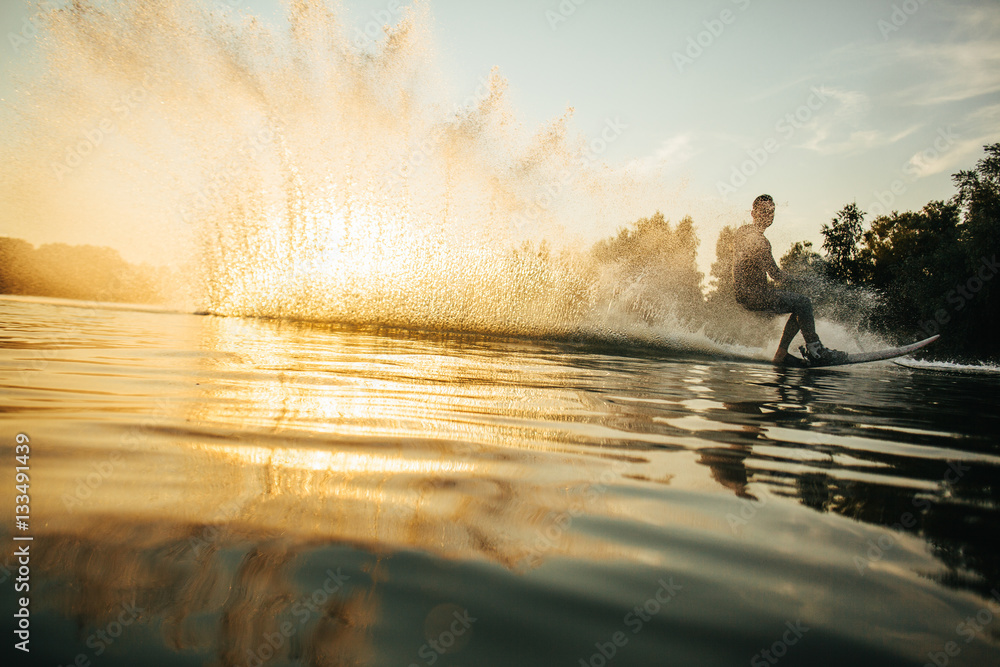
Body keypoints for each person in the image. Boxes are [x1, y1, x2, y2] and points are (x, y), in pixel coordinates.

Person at [732, 194, 847, 366]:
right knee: (803, 303)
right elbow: (775, 275)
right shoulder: (751, 235)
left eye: (771, 212)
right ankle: (815, 350)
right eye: (763, 211)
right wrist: (805, 281)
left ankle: (782, 353)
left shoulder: (752, 235)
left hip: (752, 293)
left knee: (799, 306)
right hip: (751, 294)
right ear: (753, 213)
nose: (768, 215)